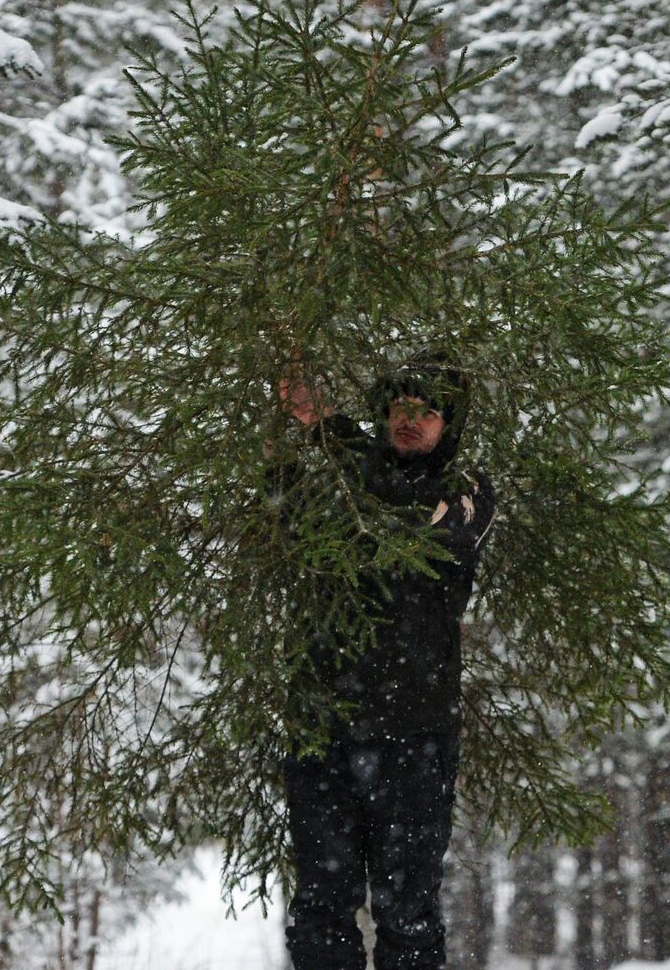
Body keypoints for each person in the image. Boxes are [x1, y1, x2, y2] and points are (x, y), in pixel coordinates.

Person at [270, 350, 497, 970]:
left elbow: (398, 520)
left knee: (408, 911)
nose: (411, 420)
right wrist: (306, 431)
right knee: (322, 905)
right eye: (401, 407)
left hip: (416, 734)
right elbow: (285, 515)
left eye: (428, 412)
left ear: (449, 424)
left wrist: (328, 427)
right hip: (323, 726)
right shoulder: (338, 481)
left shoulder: (467, 493)